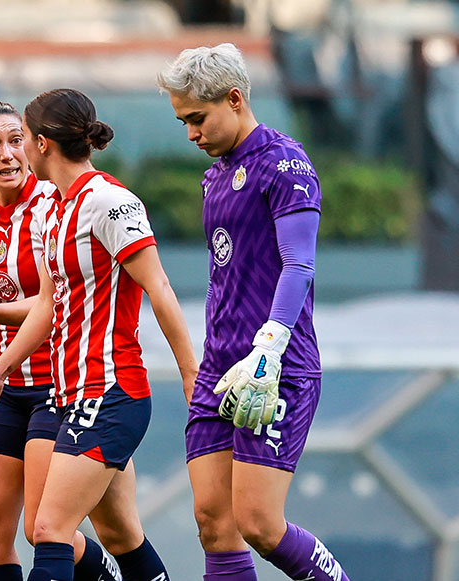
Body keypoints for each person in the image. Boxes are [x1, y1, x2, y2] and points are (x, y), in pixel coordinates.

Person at [0, 100, 173, 581]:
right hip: (9, 386)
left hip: (61, 387)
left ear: (37, 144)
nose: (8, 154)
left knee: (52, 530)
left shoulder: (58, 202)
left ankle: (106, 573)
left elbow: (57, 302)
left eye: (16, 140)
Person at [157, 43, 351, 581]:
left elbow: (299, 264)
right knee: (213, 525)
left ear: (235, 99)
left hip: (275, 366)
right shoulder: (215, 176)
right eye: (183, 122)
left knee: (260, 524)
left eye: (197, 118)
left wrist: (269, 347)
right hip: (220, 371)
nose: (191, 134)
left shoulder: (285, 163)